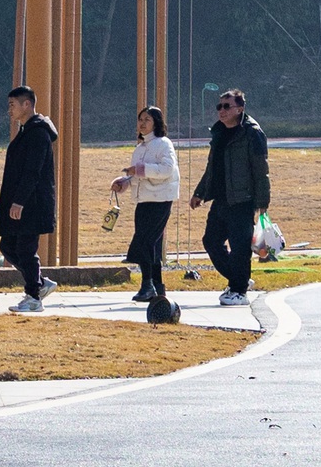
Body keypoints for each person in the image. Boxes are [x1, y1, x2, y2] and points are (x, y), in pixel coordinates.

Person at [190, 88, 270, 305]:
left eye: (227, 106)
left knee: (240, 246)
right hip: (221, 198)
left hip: (243, 200)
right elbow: (211, 167)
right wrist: (199, 192)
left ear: (240, 109)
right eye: (219, 107)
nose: (222, 111)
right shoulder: (219, 133)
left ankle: (239, 290)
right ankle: (240, 279)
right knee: (211, 241)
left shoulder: (252, 133)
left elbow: (261, 170)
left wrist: (262, 202)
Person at [0, 83, 57, 311]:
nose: (9, 109)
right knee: (8, 245)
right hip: (22, 201)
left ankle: (33, 298)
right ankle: (39, 283)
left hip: (33, 203)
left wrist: (20, 201)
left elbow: (33, 171)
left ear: (26, 104)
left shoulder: (38, 133)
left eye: (12, 105)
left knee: (25, 249)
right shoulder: (26, 131)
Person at [109, 104, 180, 304]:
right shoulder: (140, 148)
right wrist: (123, 183)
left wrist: (139, 170)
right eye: (140, 119)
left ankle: (147, 284)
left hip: (160, 199)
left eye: (147, 120)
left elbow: (166, 170)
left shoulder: (163, 143)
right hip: (143, 200)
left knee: (145, 241)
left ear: (157, 123)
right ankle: (157, 286)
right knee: (152, 244)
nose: (142, 123)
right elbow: (137, 175)